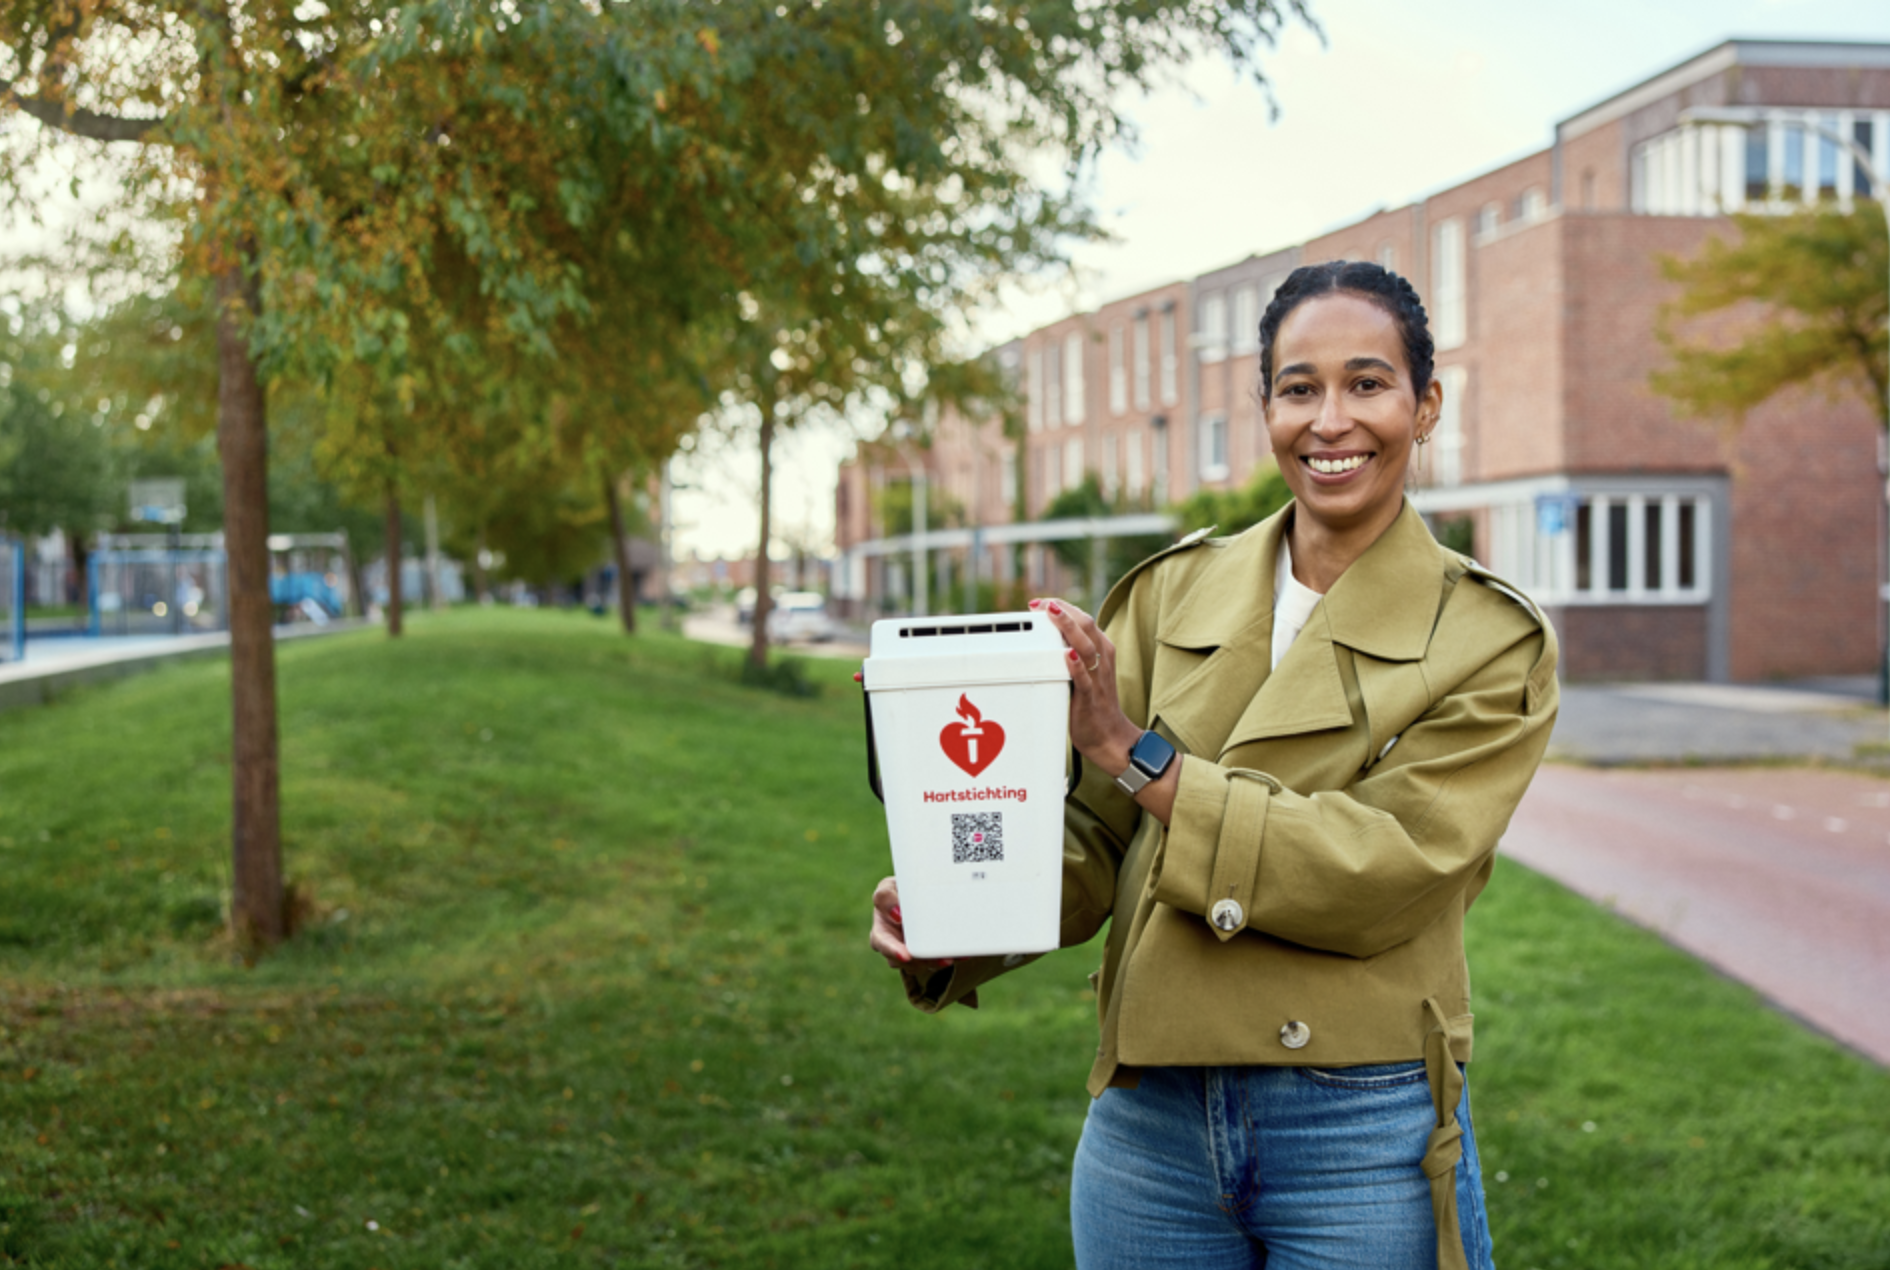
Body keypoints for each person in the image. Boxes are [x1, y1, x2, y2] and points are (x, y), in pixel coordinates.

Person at [869, 260, 1558, 1270]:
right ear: (1265, 407)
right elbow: (1099, 837)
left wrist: (1138, 753)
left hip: (1361, 1128)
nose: (1331, 421)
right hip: (1150, 1128)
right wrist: (949, 910)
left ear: (1426, 405)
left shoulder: (1489, 639)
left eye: (1367, 384)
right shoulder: (1168, 595)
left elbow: (1383, 872)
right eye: (1298, 388)